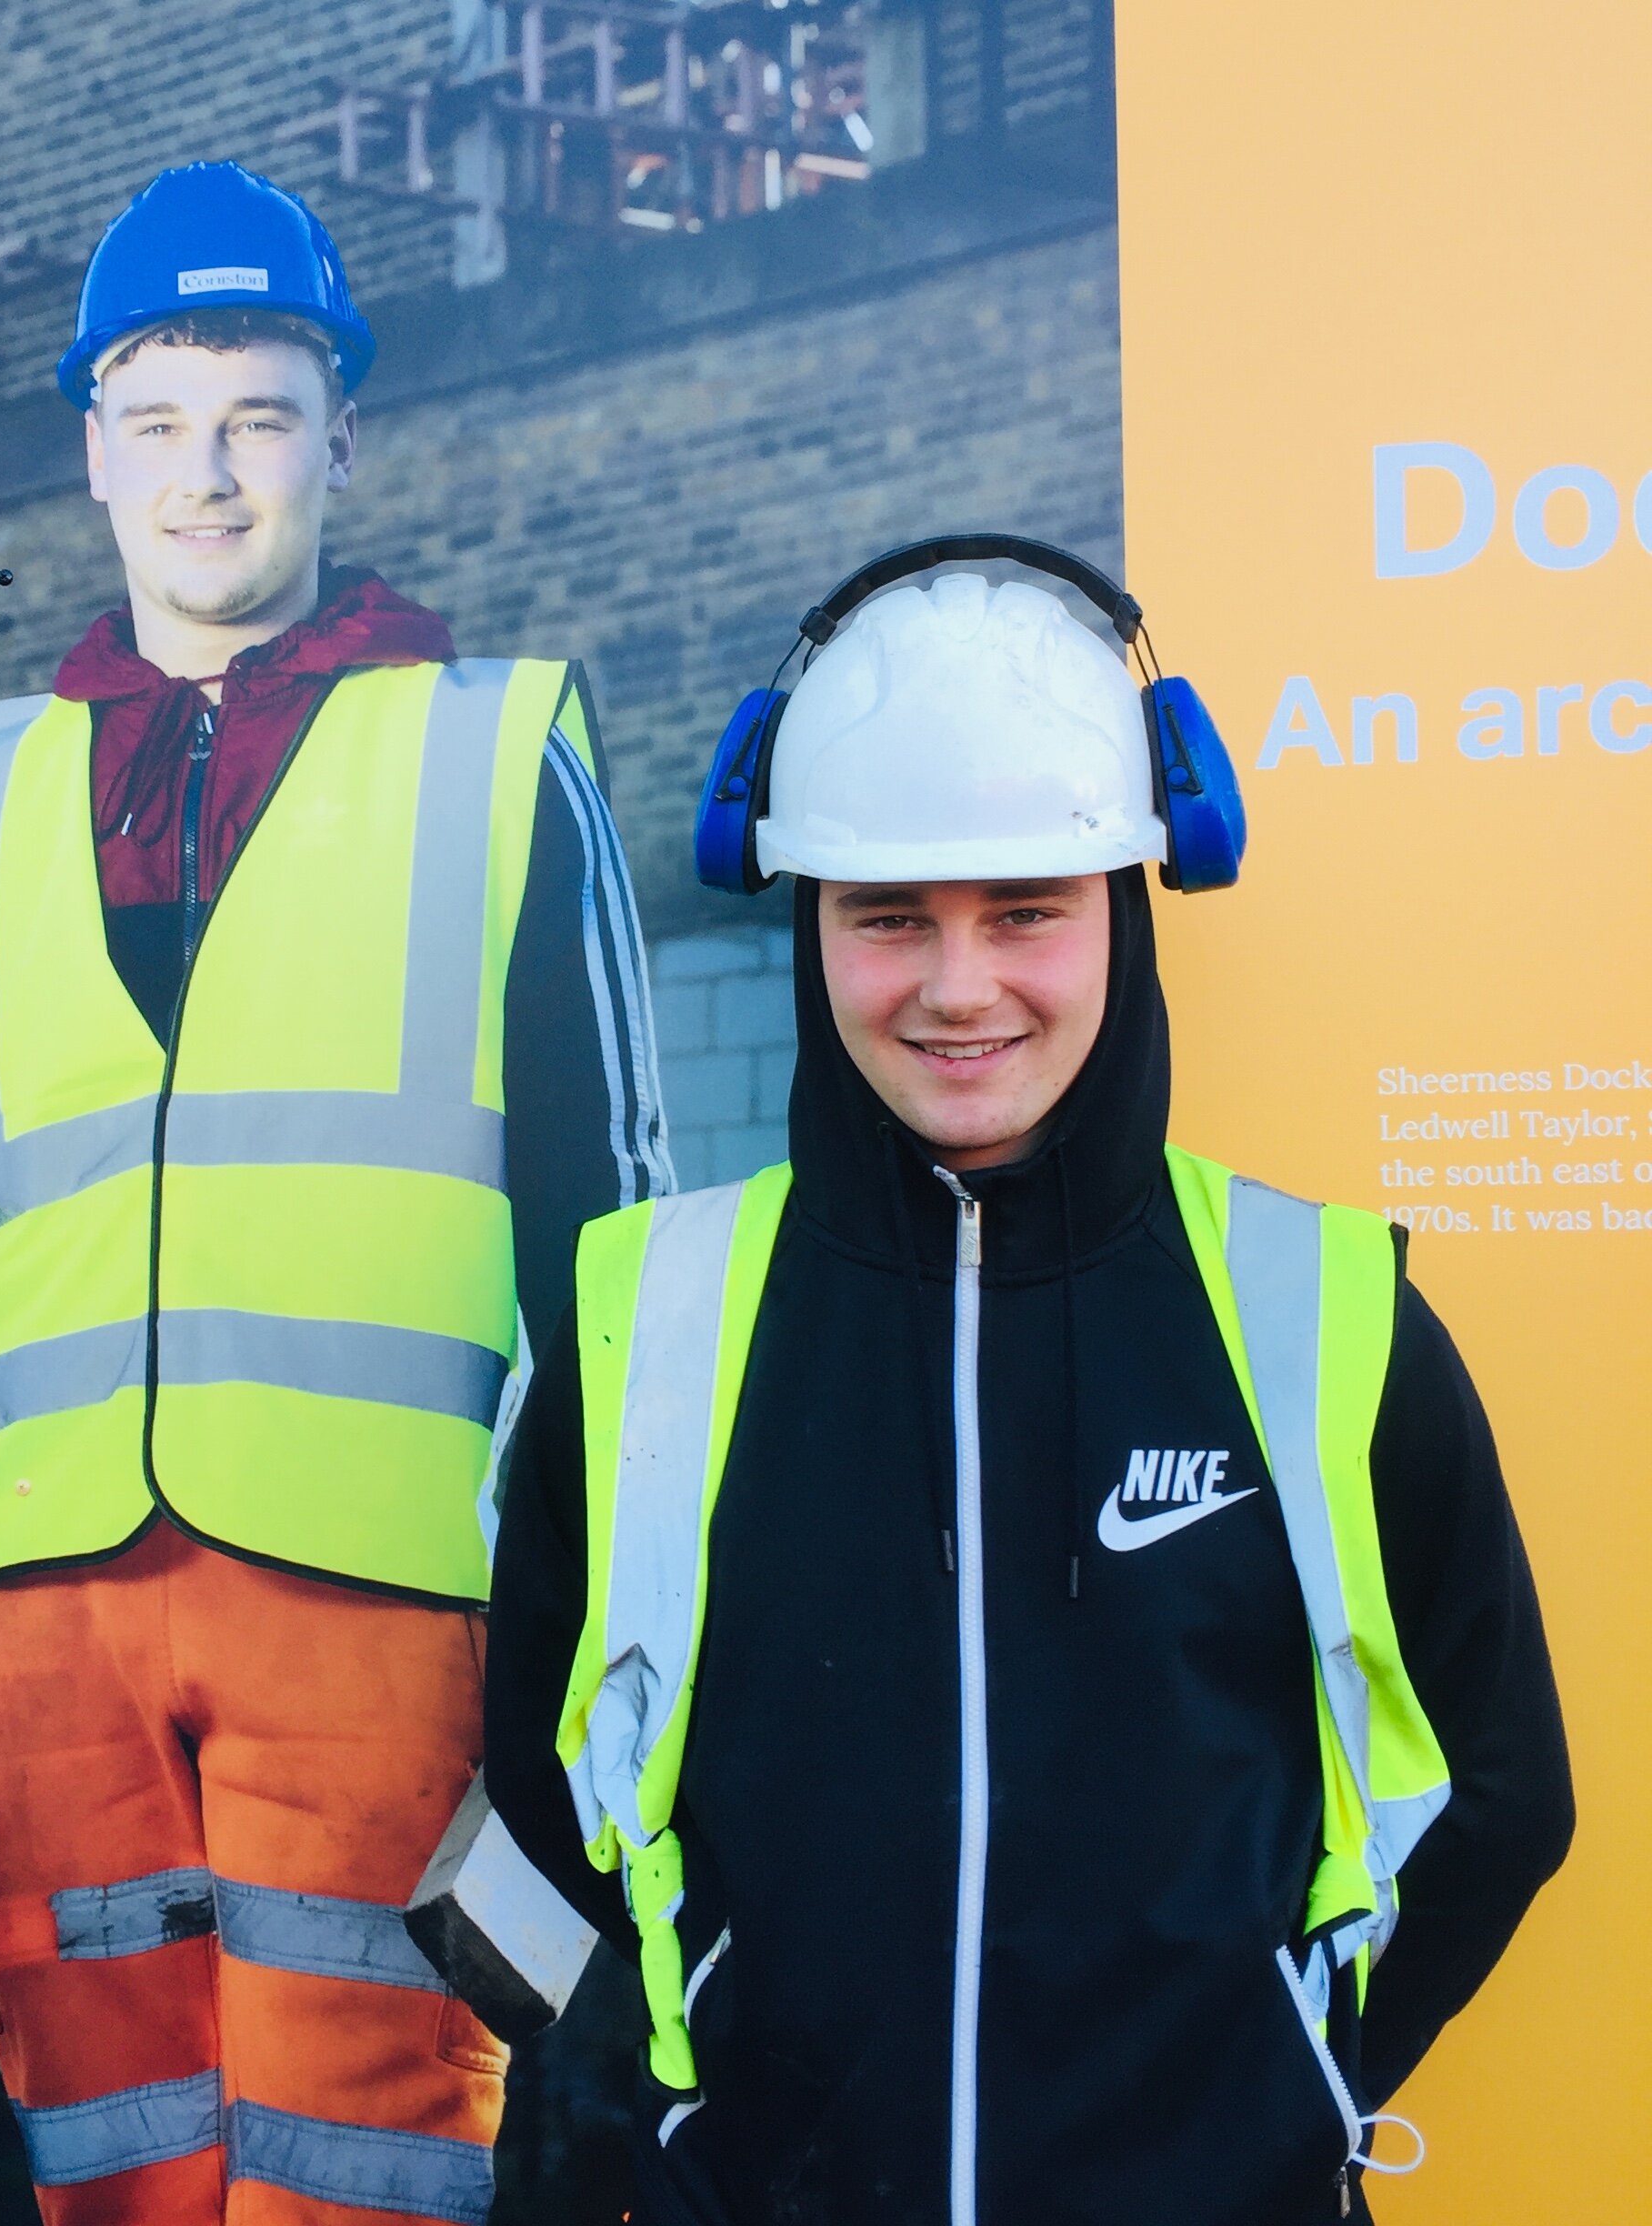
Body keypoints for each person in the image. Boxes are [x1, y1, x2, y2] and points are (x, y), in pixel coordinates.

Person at [0, 161, 670, 2226]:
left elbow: (613, 1245)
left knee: (365, 2167)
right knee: (119, 2182)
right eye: (160, 423)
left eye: (257, 416)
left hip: (389, 1626)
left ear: (339, 436)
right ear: (93, 454)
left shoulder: (495, 753)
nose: (209, 472)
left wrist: (594, 1616)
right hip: (27, 1640)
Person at [483, 542, 1574, 2225]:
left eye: (1026, 911)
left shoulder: (1322, 1306)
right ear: (805, 919)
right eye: (889, 914)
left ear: (1131, 907)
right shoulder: (648, 1315)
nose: (959, 984)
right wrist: (685, 2077)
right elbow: (541, 1780)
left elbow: (1506, 1793)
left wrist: (1303, 2088)